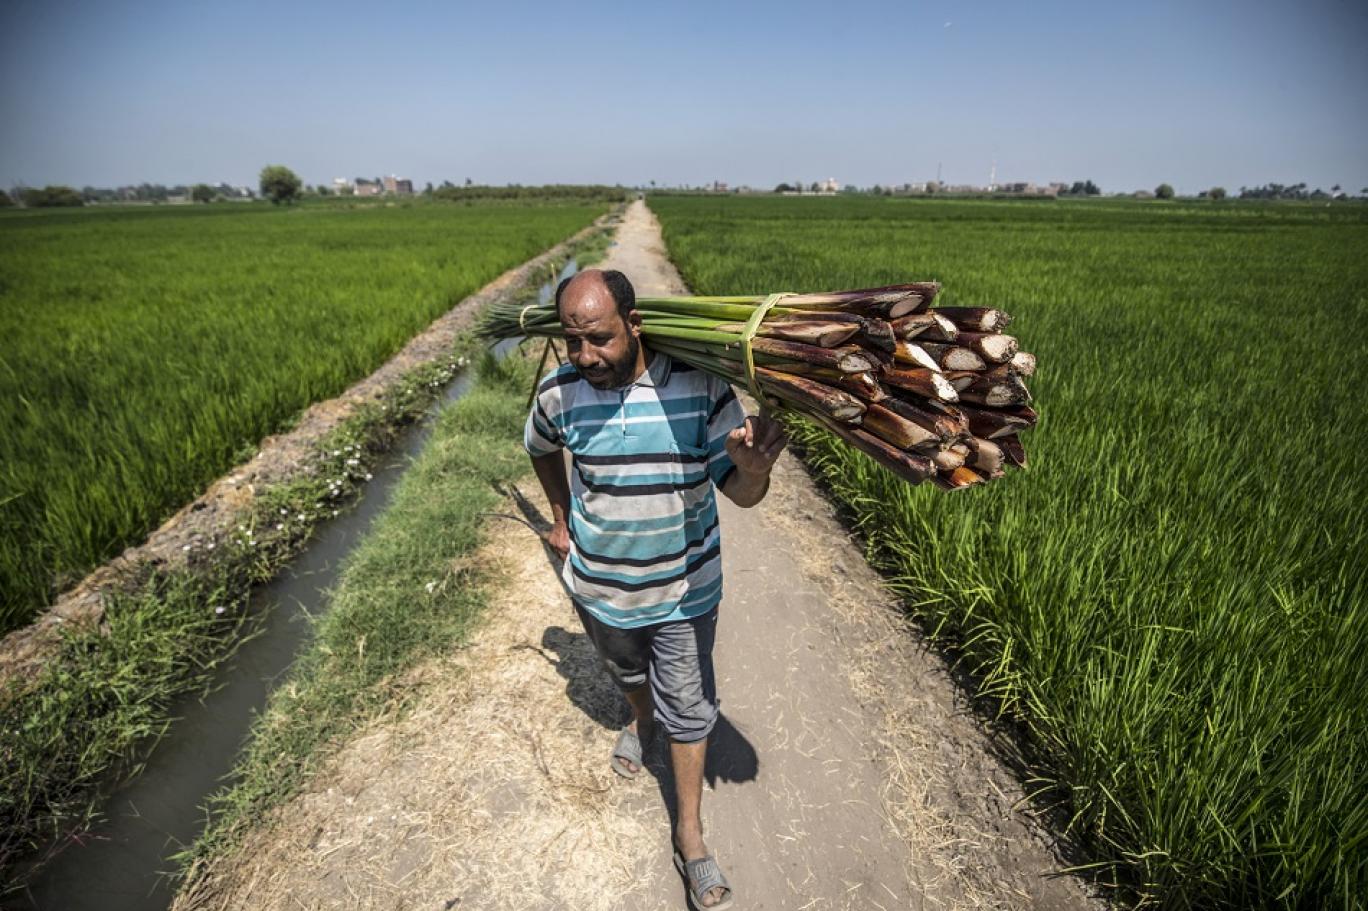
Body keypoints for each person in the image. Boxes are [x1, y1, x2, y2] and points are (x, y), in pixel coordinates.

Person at [525, 268, 786, 909]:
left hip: (683, 590)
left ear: (635, 324)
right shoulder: (559, 391)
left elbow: (741, 493)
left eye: (601, 338)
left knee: (690, 708)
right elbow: (539, 445)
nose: (586, 356)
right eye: (573, 341)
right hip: (601, 587)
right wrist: (560, 517)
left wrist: (753, 471)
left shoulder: (699, 387)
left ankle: (689, 833)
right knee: (627, 674)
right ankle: (642, 722)